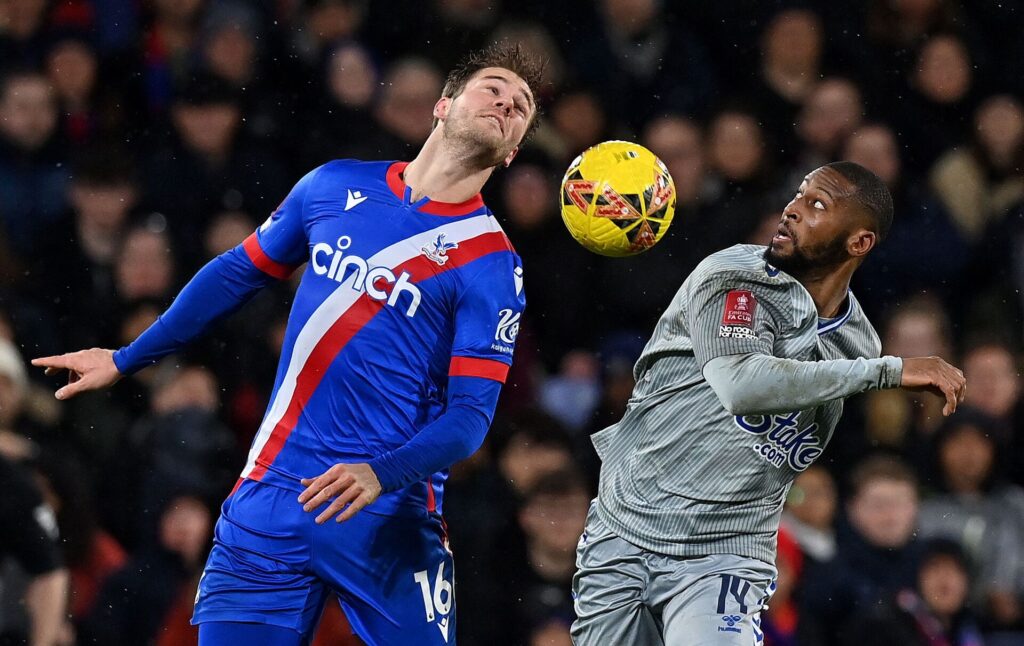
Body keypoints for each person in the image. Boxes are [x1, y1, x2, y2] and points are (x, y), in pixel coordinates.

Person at [32, 42, 543, 646]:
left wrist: (381, 475)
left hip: (387, 513)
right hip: (272, 491)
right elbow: (233, 274)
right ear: (443, 104)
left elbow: (469, 419)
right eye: (494, 88)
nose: (506, 103)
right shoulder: (332, 185)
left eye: (521, 107)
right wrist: (125, 358)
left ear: (511, 152)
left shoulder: (492, 265)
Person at [571, 161, 968, 645]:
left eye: (817, 204)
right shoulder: (732, 275)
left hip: (726, 554)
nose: (793, 210)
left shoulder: (857, 344)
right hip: (625, 527)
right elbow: (741, 385)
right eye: (797, 195)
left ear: (859, 242)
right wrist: (889, 369)